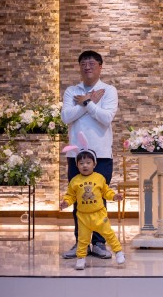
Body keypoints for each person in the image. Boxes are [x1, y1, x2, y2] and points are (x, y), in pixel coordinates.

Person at [61, 50, 119, 259]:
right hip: (77, 155)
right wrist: (89, 101)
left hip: (101, 153)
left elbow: (106, 118)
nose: (87, 67)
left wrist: (85, 102)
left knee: (100, 198)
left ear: (100, 67)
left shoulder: (109, 90)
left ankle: (100, 243)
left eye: (91, 63)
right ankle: (81, 243)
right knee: (79, 199)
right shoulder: (71, 91)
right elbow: (66, 117)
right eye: (83, 63)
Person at [60, 149, 125, 270]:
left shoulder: (99, 178)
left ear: (94, 164)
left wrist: (114, 196)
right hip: (83, 216)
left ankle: (119, 252)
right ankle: (81, 258)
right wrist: (66, 202)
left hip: (99, 215)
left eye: (88, 162)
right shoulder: (74, 181)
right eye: (81, 163)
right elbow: (71, 196)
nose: (85, 165)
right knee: (82, 239)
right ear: (77, 165)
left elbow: (106, 192)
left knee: (109, 234)